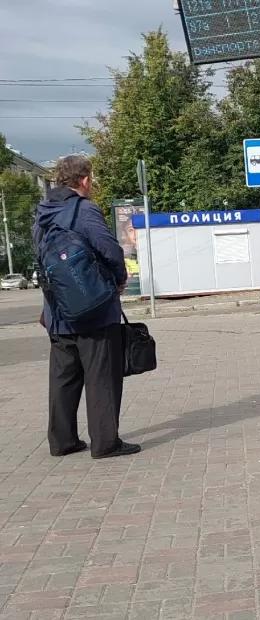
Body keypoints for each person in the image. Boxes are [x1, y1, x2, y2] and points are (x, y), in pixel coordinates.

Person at [33, 155, 140, 459]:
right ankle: (106, 442)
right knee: (101, 375)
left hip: (57, 310)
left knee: (63, 377)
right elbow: (109, 249)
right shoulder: (83, 209)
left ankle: (62, 441)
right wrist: (119, 279)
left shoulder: (42, 213)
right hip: (93, 309)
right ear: (84, 180)